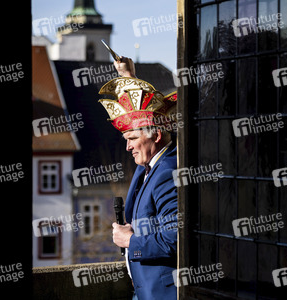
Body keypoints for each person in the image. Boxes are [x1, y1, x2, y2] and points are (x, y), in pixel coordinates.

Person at [98, 57, 178, 299]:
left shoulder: (167, 173)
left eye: (132, 138)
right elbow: (145, 112)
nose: (128, 147)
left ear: (155, 136)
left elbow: (175, 239)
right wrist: (127, 78)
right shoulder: (155, 165)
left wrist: (130, 240)